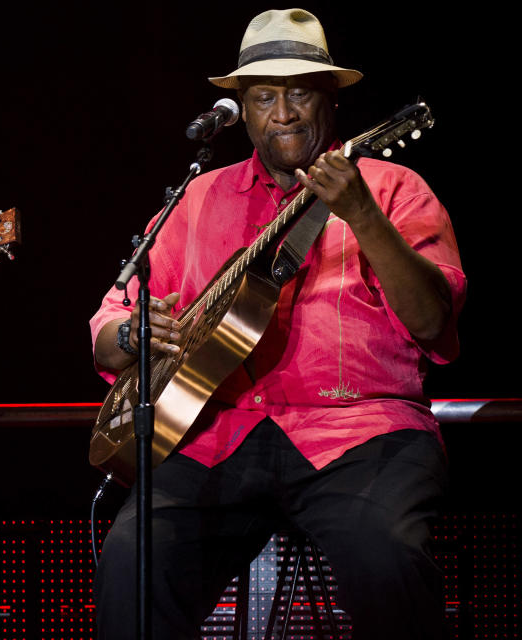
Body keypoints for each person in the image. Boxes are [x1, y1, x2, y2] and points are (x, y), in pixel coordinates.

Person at [90, 9, 464, 640]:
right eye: (264, 97)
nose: (283, 113)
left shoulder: (395, 187)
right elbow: (111, 315)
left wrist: (363, 217)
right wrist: (131, 335)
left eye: (299, 94)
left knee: (388, 560)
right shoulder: (200, 196)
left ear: (331, 101)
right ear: (241, 109)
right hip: (218, 435)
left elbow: (434, 322)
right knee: (133, 561)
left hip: (360, 436)